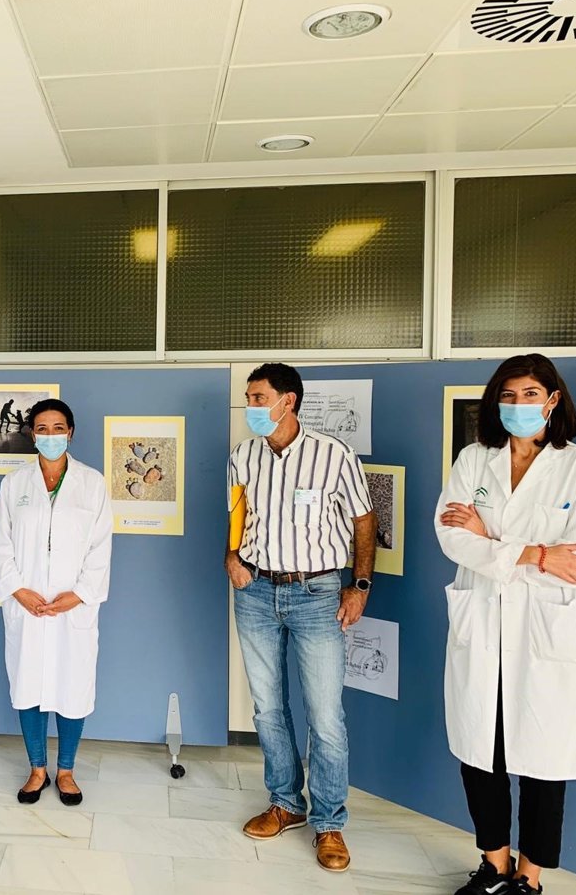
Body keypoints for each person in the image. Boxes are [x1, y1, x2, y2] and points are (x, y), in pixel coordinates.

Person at [436, 354, 576, 895]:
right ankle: (494, 864)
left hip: (545, 634)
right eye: (507, 395)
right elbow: (451, 537)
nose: (517, 404)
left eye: (530, 394)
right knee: (479, 754)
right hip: (483, 628)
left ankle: (528, 879)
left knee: (543, 759)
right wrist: (536, 553)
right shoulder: (474, 459)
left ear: (552, 400)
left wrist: (491, 540)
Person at [225, 363, 376, 873]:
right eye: (249, 397)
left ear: (287, 401)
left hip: (317, 593)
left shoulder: (334, 455)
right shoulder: (243, 456)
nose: (250, 406)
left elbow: (364, 520)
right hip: (255, 590)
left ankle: (329, 821)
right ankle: (285, 803)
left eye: (258, 397)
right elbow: (237, 514)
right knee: (267, 707)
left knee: (325, 715)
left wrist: (360, 586)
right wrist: (231, 556)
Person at [0, 398, 113, 807]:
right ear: (32, 434)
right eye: (42, 428)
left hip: (73, 605)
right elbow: (0, 542)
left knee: (73, 685)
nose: (50, 435)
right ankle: (37, 769)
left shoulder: (92, 483)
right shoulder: (14, 484)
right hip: (27, 604)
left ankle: (67, 771)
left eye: (58, 428)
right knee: (27, 685)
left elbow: (100, 546)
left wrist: (79, 595)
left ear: (70, 433)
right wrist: (17, 589)